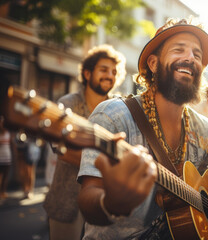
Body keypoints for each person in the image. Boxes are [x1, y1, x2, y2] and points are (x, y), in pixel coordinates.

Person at [77, 18, 208, 240]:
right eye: (179, 50)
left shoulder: (203, 127)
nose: (190, 58)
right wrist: (109, 203)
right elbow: (88, 198)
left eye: (197, 54)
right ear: (153, 63)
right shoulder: (113, 115)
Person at [43, 44, 126, 240]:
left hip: (104, 202)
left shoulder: (118, 108)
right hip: (66, 202)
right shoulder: (67, 104)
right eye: (103, 70)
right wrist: (106, 160)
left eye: (114, 72)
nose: (109, 75)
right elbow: (60, 149)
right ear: (87, 73)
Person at [0, 115, 14, 199]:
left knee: (5, 176)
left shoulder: (9, 133)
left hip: (7, 157)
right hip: (0, 158)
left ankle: (3, 191)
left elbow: (12, 145)